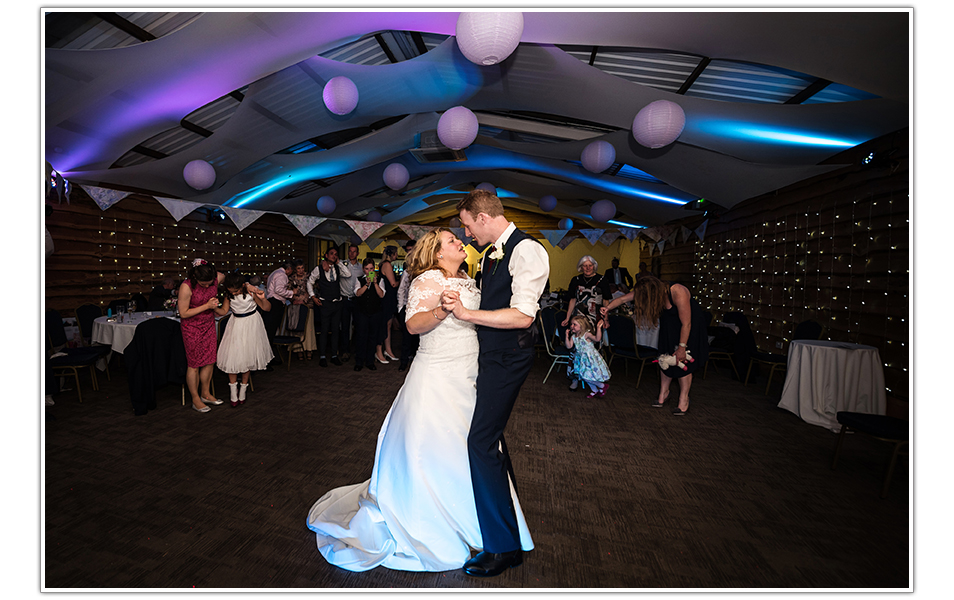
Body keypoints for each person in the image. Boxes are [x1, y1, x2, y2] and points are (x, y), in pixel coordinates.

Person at [307, 228, 534, 572]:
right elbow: (412, 325)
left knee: (474, 445)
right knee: (436, 446)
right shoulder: (427, 279)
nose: (461, 242)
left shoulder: (468, 279)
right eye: (452, 241)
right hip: (437, 375)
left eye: (459, 238)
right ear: (438, 253)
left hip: (469, 373)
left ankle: (485, 523)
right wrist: (443, 312)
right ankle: (439, 524)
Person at [441, 189, 549, 577]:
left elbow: (522, 316)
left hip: (508, 359)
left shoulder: (526, 251)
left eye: (468, 225)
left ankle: (503, 548)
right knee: (493, 440)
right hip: (490, 356)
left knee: (481, 442)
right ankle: (511, 527)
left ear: (482, 218)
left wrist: (468, 315)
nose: (467, 234)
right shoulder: (490, 253)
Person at [602, 275, 709, 415]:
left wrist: (682, 347)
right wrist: (607, 308)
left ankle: (684, 399)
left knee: (682, 360)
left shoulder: (678, 292)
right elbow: (622, 299)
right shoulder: (646, 290)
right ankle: (663, 393)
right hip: (669, 326)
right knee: (664, 358)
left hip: (689, 328)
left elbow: (686, 323)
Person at [216, 272, 273, 407]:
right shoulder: (229, 295)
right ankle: (232, 392)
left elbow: (266, 308)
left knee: (247, 356)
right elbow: (224, 311)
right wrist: (213, 307)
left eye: (236, 291)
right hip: (235, 325)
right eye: (231, 292)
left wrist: (263, 298)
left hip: (251, 324)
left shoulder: (251, 294)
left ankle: (243, 389)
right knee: (233, 356)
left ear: (242, 286)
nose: (234, 294)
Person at [178, 258, 227, 413]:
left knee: (210, 361)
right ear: (194, 277)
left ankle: (205, 393)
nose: (207, 286)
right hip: (191, 328)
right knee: (194, 365)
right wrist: (206, 306)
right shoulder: (186, 287)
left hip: (208, 325)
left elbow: (223, 276)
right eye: (203, 283)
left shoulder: (215, 278)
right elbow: (183, 313)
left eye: (209, 283)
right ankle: (195, 398)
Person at [561, 255, 612, 391]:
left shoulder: (602, 279)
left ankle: (593, 380)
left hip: (595, 319)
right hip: (578, 319)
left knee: (591, 351)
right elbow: (572, 299)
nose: (587, 268)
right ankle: (574, 378)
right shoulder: (576, 280)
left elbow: (606, 301)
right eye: (585, 265)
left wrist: (605, 319)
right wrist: (567, 317)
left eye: (590, 265)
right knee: (575, 349)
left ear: (594, 266)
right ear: (581, 267)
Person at [307, 247, 352, 367]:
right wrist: (313, 296)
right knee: (324, 330)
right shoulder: (319, 268)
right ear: (326, 255)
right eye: (332, 254)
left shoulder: (338, 267)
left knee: (336, 330)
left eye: (336, 254)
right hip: (325, 303)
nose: (334, 256)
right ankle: (322, 356)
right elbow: (310, 282)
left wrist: (339, 263)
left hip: (337, 303)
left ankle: (334, 355)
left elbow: (348, 274)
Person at [351, 257, 385, 372]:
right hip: (362, 313)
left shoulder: (380, 280)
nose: (369, 271)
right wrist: (366, 284)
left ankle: (370, 361)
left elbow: (381, 295)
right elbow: (357, 293)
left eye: (371, 268)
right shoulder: (359, 279)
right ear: (363, 269)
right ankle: (359, 361)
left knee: (372, 337)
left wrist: (375, 283)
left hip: (375, 312)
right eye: (367, 269)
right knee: (361, 337)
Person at [564, 314, 610, 399]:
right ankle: (595, 390)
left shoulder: (586, 335)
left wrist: (598, 328)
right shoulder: (574, 337)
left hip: (590, 358)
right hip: (581, 359)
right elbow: (569, 346)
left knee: (588, 376)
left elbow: (597, 339)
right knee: (583, 376)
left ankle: (602, 385)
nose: (572, 326)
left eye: (575, 324)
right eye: (571, 324)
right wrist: (566, 336)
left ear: (581, 326)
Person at [394, 239, 419, 372]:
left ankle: (415, 361)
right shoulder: (407, 271)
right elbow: (401, 290)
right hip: (407, 308)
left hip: (420, 308)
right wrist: (400, 308)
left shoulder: (423, 269)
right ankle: (403, 362)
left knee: (418, 337)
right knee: (406, 336)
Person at [288, 260, 317, 360]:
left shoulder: (309, 277)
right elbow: (288, 291)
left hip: (307, 305)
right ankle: (298, 350)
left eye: (302, 268)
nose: (301, 270)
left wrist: (304, 300)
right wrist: (293, 300)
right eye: (298, 268)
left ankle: (309, 349)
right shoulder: (291, 279)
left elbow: (312, 289)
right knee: (296, 327)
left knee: (308, 328)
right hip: (295, 305)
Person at [376, 245, 400, 363]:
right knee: (385, 325)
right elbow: (393, 284)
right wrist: (402, 280)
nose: (397, 255)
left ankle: (388, 350)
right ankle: (382, 350)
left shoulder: (384, 264)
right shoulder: (387, 265)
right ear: (392, 254)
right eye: (396, 253)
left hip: (388, 298)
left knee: (388, 325)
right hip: (387, 298)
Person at [338, 243, 362, 362]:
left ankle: (357, 350)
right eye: (350, 251)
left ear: (357, 253)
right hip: (345, 299)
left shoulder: (361, 268)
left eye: (354, 251)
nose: (352, 253)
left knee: (358, 326)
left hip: (356, 300)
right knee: (345, 327)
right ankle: (345, 351)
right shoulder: (342, 265)